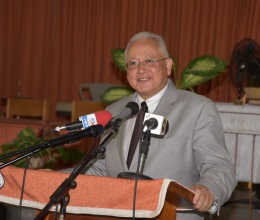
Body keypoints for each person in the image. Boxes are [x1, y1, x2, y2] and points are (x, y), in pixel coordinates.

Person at [81, 31, 237, 219]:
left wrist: (208, 190)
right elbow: (100, 167)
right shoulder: (115, 112)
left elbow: (219, 167)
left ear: (168, 66)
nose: (141, 69)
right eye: (133, 63)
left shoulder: (197, 109)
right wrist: (56, 179)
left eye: (149, 61)